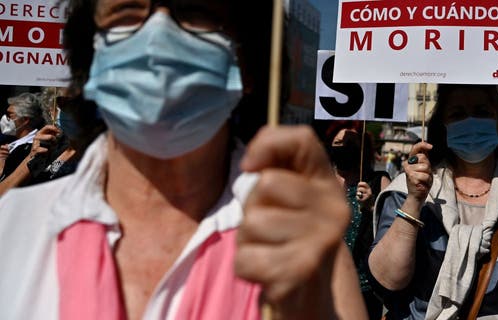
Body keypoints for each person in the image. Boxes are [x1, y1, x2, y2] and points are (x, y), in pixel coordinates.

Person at [0, 1, 367, 319]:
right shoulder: (14, 225)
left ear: (248, 62)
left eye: (195, 12)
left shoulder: (295, 240)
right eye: (127, 11)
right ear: (89, 57)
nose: (157, 37)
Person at [369, 84, 498, 319]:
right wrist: (414, 200)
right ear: (443, 125)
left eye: (481, 112)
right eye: (457, 114)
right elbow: (387, 283)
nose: (471, 122)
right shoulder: (404, 192)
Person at [325, 120, 391, 320]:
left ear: (363, 149)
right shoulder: (318, 182)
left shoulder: (379, 181)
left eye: (351, 143)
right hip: (324, 287)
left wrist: (372, 208)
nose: (343, 148)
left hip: (364, 291)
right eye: (338, 144)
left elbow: (392, 235)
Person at [0, 92, 45, 180]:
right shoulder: (7, 141)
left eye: (10, 115)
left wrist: (1, 165)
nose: (5, 119)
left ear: (25, 120)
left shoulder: (32, 148)